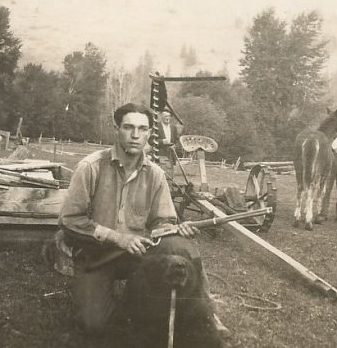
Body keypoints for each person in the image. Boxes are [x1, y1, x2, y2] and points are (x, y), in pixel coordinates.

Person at [59, 103, 227, 335]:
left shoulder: (156, 174)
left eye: (142, 129)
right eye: (128, 127)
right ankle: (128, 306)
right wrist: (118, 238)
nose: (135, 135)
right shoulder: (90, 167)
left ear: (149, 133)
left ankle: (207, 312)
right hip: (96, 256)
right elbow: (69, 220)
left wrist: (174, 229)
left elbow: (162, 222)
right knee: (93, 324)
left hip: (140, 255)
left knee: (181, 246)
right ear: (116, 129)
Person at [154, 109, 180, 178]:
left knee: (169, 177)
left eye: (169, 116)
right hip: (160, 155)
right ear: (161, 117)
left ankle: (169, 188)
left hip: (170, 155)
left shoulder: (173, 128)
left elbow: (176, 140)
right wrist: (162, 141)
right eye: (165, 116)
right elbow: (151, 140)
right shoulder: (156, 126)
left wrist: (175, 146)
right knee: (160, 177)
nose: (167, 118)